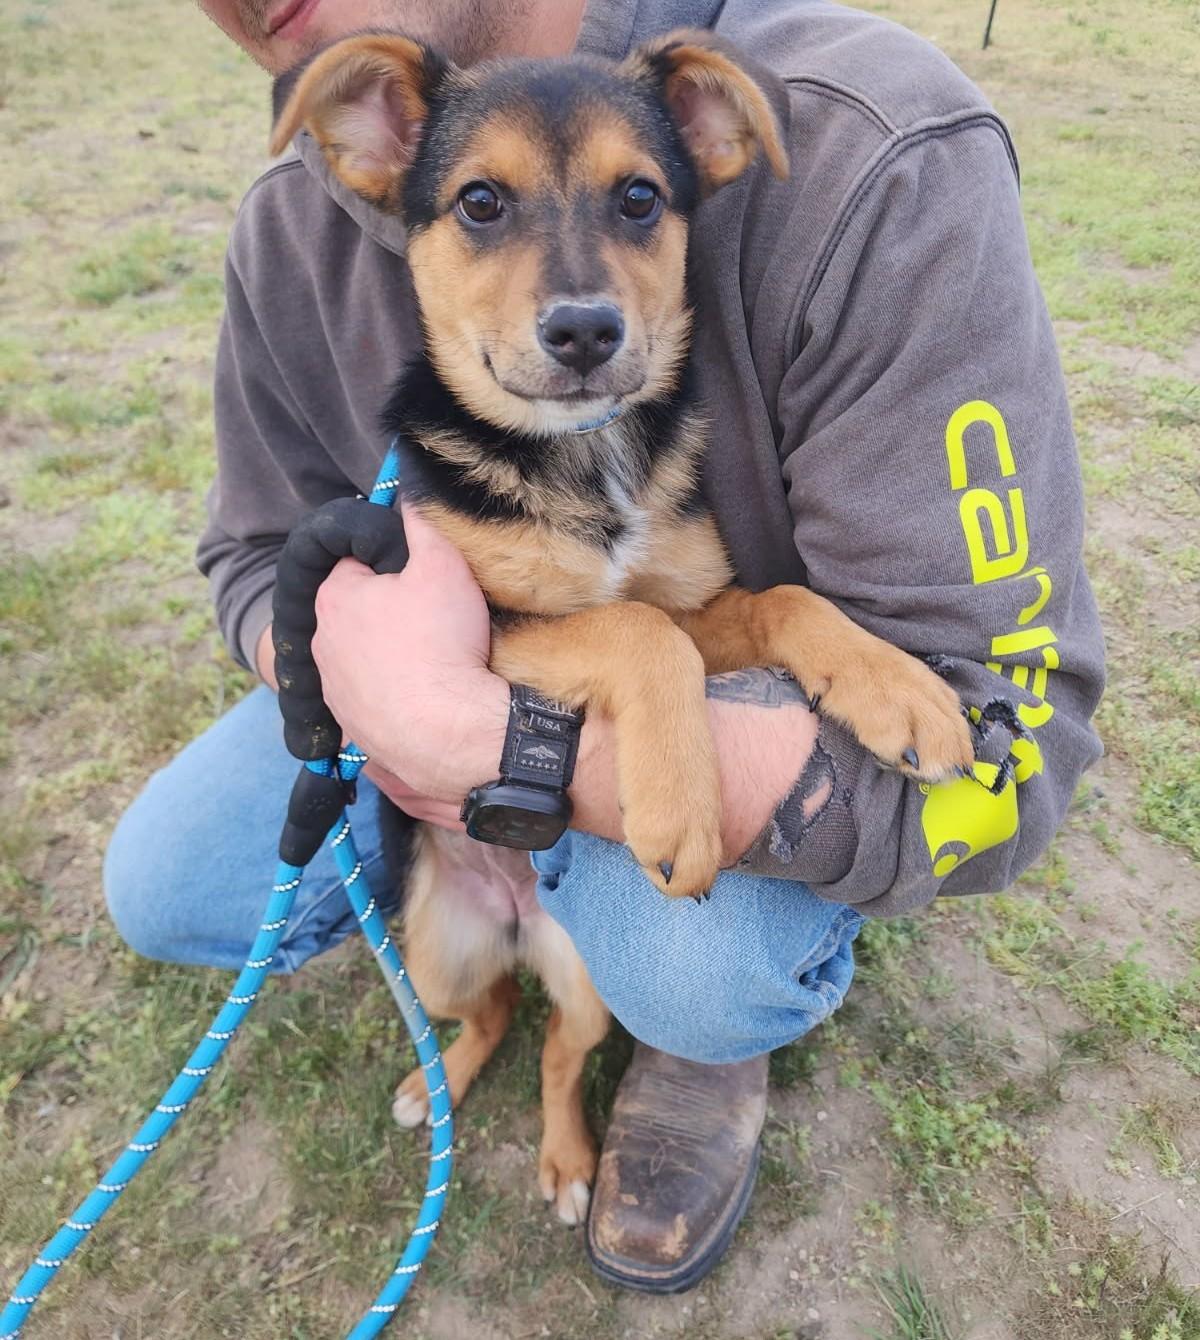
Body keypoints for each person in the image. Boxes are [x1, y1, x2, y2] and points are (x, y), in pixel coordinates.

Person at [104, 0, 1104, 1293]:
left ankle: (680, 1034)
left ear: (704, 157)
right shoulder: (292, 215)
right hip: (418, 699)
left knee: (696, 963)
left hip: (627, 725)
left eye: (637, 204)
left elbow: (997, 769)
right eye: (482, 210)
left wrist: (501, 736)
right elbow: (248, 551)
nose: (571, 298)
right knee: (171, 879)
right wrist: (332, 665)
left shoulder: (876, 146)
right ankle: (483, 1012)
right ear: (370, 148)